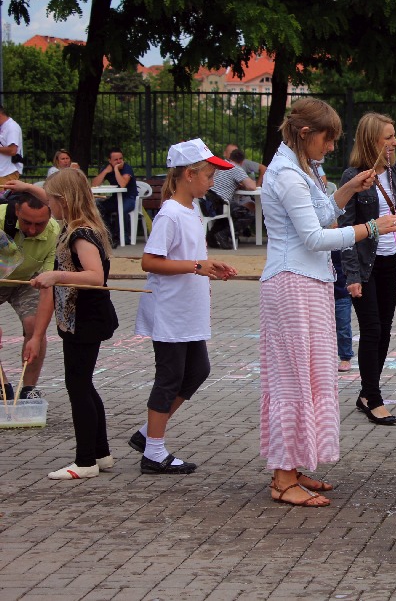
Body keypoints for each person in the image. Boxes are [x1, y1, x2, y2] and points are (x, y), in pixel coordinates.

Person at [260, 97, 396, 507]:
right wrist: (370, 227)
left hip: (310, 281)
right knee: (293, 379)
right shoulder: (287, 174)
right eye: (327, 139)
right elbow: (314, 237)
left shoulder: (303, 166)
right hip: (291, 284)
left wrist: (349, 188)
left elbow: (323, 213)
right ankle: (283, 479)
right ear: (305, 133)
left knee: (309, 376)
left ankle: (293, 466)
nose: (331, 147)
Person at [130, 139, 238, 474]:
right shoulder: (171, 214)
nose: (212, 181)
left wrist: (209, 265)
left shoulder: (190, 210)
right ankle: (154, 453)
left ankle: (149, 436)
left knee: (197, 371)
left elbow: (187, 257)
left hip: (187, 310)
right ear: (189, 175)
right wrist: (196, 267)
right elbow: (149, 261)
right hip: (170, 313)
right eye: (208, 174)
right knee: (170, 377)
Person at [20, 170, 118, 480]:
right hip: (77, 320)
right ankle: (100, 453)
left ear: (63, 200)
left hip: (87, 320)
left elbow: (95, 277)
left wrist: (57, 276)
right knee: (83, 383)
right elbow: (51, 291)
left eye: (50, 200)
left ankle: (85, 460)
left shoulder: (81, 233)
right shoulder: (70, 229)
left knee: (78, 385)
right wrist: (37, 335)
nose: (47, 205)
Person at [339, 112, 396, 425]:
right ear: (373, 140)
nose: (395, 142)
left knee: (384, 329)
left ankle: (365, 393)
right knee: (371, 329)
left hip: (390, 261)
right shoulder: (354, 175)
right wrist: (352, 275)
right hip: (364, 264)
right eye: (388, 136)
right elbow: (345, 227)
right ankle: (373, 397)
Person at [0, 191, 60, 401]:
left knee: (35, 326)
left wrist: (36, 336)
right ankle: (1, 385)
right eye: (26, 222)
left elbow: (48, 288)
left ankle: (28, 388)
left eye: (40, 224)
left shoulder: (55, 233)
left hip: (27, 280)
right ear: (16, 210)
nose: (32, 230)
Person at [204, 147, 258, 248]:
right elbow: (252, 186)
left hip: (208, 201)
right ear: (242, 162)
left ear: (230, 157)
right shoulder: (235, 168)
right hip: (220, 202)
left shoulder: (221, 164)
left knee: (227, 215)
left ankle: (211, 237)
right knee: (248, 214)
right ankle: (224, 234)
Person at [91, 147, 138, 247]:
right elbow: (94, 184)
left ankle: (123, 237)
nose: (119, 161)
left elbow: (122, 184)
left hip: (129, 198)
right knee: (99, 207)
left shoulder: (127, 168)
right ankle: (110, 234)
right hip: (115, 198)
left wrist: (116, 169)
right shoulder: (107, 168)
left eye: (120, 158)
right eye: (116, 160)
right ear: (109, 161)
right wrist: (105, 172)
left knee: (122, 209)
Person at [0, 105, 24, 184]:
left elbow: (12, 150)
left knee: (3, 196)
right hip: (2, 172)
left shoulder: (12, 127)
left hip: (7, 173)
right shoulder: (2, 127)